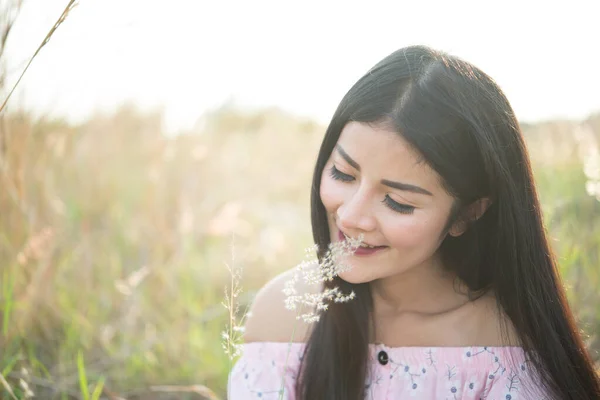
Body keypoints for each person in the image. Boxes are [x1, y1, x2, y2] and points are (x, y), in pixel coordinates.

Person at [228, 45, 600, 399]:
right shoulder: (284, 315)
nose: (352, 216)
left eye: (397, 202)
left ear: (469, 213)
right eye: (343, 174)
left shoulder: (508, 351)